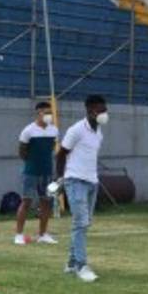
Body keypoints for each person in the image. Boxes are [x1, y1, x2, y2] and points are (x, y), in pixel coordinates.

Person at [56, 95, 107, 283]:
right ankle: (81, 265)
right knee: (81, 222)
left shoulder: (99, 131)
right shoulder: (76, 130)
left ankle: (71, 262)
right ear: (89, 111)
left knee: (84, 223)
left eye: (105, 109)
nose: (103, 113)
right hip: (74, 180)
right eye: (100, 110)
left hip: (92, 181)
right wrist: (60, 179)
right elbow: (61, 154)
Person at [15, 101, 59, 246]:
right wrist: (31, 163)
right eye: (46, 112)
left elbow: (52, 147)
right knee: (26, 201)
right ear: (38, 113)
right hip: (31, 172)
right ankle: (19, 235)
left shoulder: (54, 130)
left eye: (50, 112)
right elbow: (22, 151)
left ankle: (43, 234)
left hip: (47, 172)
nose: (49, 115)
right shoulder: (28, 130)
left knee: (46, 202)